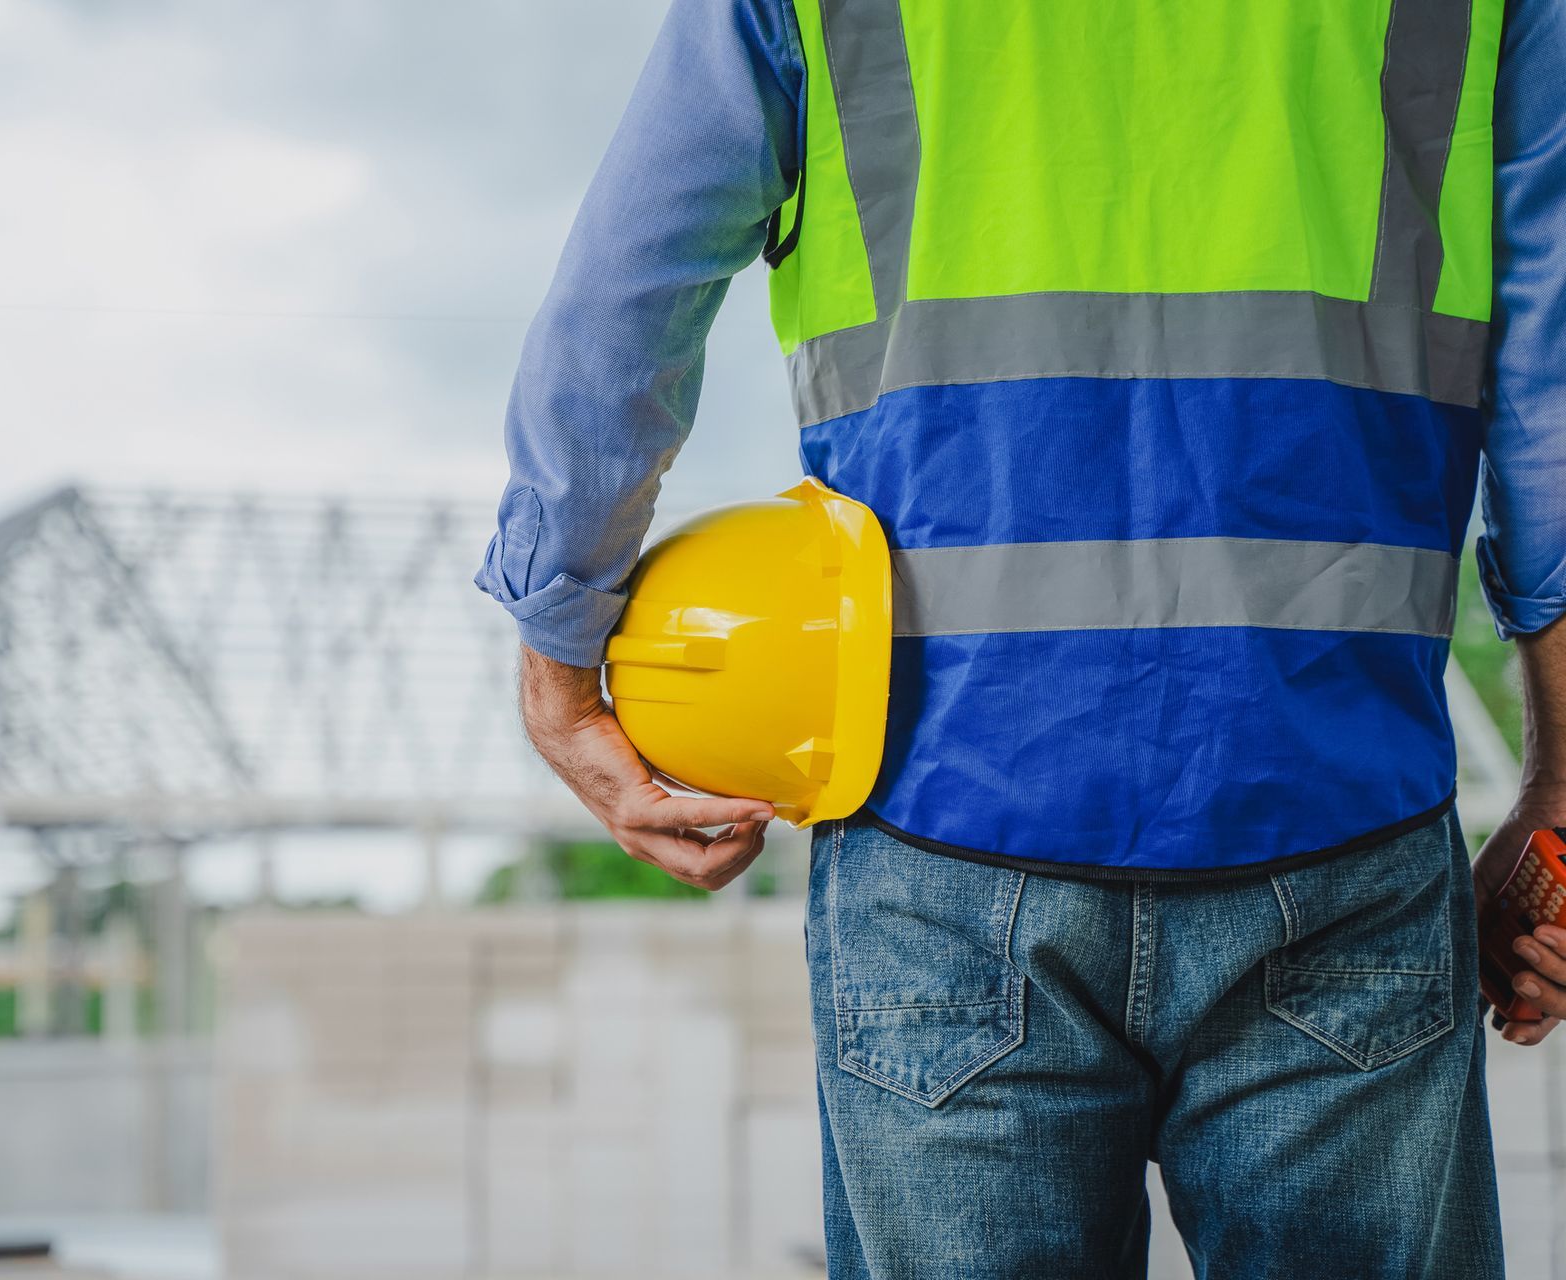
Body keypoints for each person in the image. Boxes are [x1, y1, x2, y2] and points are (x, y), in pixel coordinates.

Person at [476, 1, 1566, 1274]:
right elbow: (1550, 376)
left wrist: (561, 660)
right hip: (1335, 813)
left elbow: (625, 294)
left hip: (943, 832)